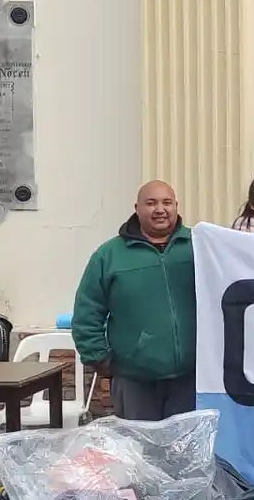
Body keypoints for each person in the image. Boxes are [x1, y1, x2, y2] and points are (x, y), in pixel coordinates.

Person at [72, 180, 196, 422]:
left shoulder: (199, 246)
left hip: (191, 381)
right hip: (134, 383)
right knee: (139, 454)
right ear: (137, 208)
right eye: (151, 203)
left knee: (185, 455)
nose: (160, 209)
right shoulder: (109, 256)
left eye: (166, 202)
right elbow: (87, 313)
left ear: (176, 206)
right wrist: (101, 360)